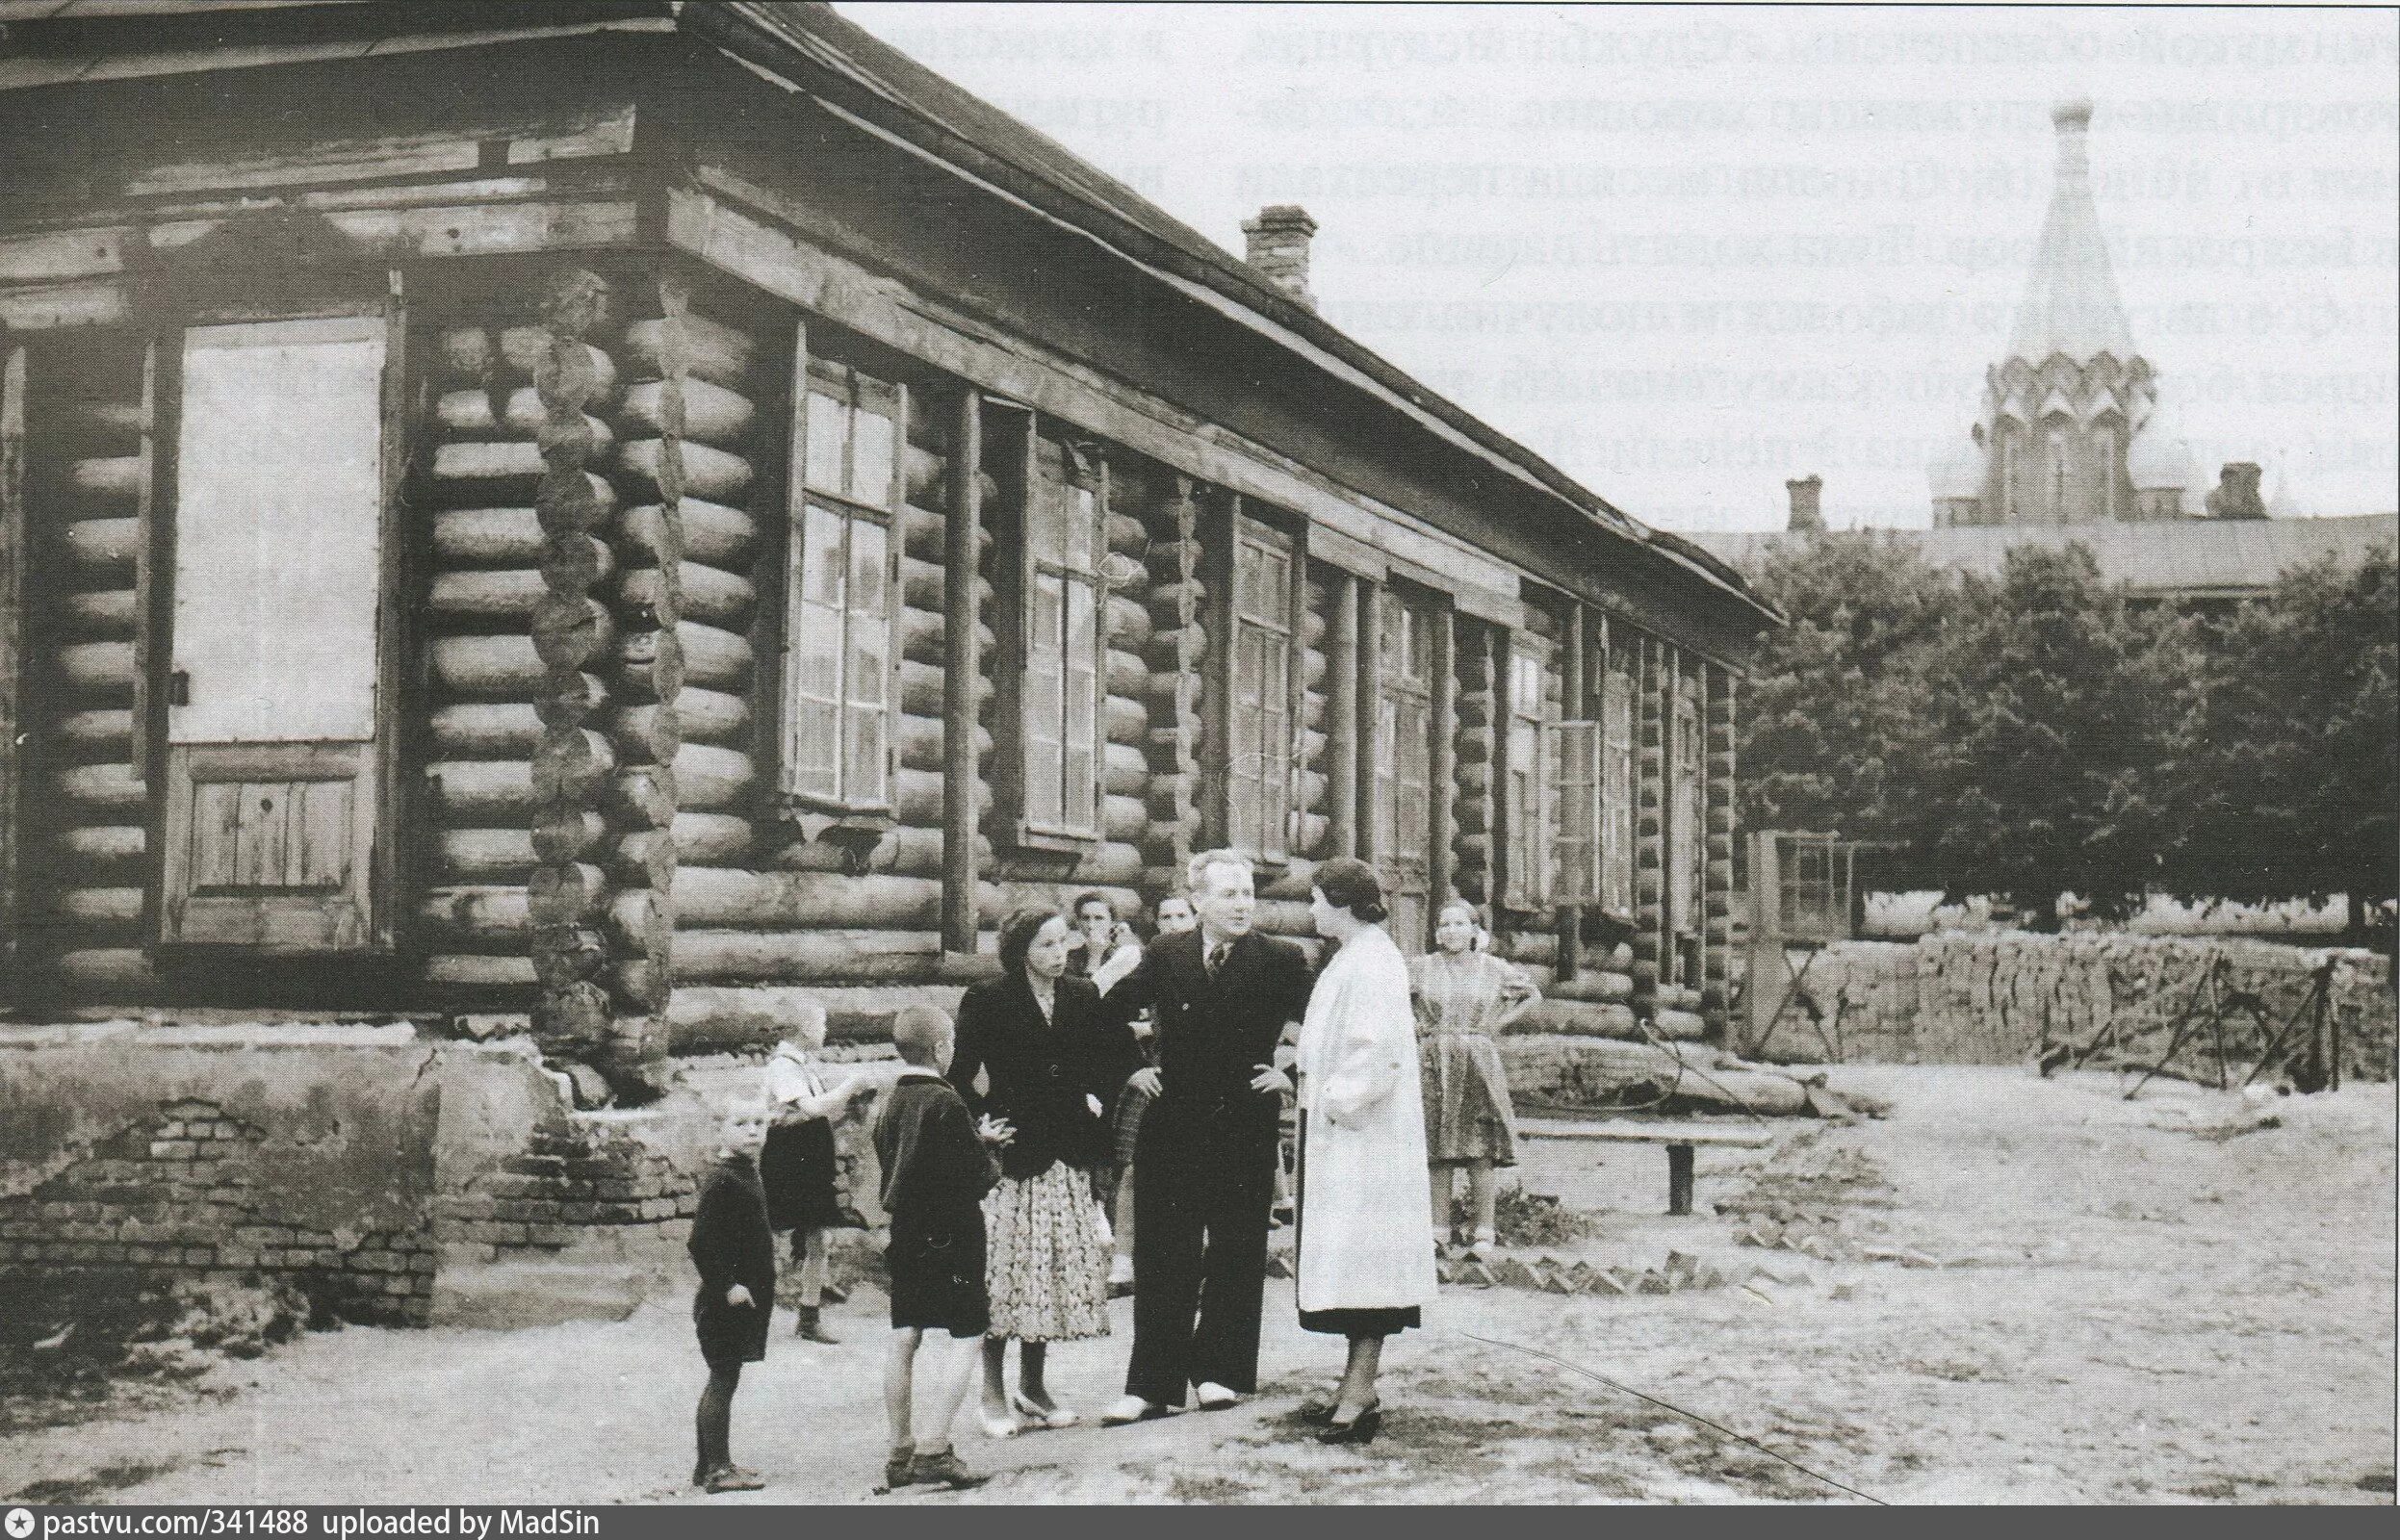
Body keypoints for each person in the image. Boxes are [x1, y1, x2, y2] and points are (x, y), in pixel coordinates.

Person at [1092, 850, 1315, 1424]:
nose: (1242, 904)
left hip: (1244, 1121)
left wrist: (1286, 1067)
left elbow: (1316, 1025)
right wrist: (1128, 1069)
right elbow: (1103, 1013)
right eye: (1228, 894)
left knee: (1237, 1249)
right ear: (1197, 902)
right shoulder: (1165, 953)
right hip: (1173, 1122)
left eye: (1247, 893)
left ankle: (1220, 1371)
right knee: (1164, 1250)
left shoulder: (1282, 959)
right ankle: (1151, 1384)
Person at [949, 908, 1141, 1438]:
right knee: (1008, 1275)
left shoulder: (1082, 995)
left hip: (1068, 1150)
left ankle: (1032, 1388)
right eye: (1045, 946)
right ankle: (991, 1391)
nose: (1059, 956)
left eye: (1063, 944)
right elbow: (961, 1076)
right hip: (1016, 1157)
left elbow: (1109, 1057)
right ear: (1020, 950)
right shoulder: (988, 998)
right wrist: (981, 1128)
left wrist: (1110, 1091)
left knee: (1051, 1275)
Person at [1292, 858, 1438, 1445]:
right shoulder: (1354, 957)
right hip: (1345, 1135)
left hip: (1364, 1138)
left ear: (1343, 903)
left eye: (1317, 900)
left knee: (1365, 1263)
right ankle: (1357, 1384)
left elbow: (1375, 1054)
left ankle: (1359, 1392)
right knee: (1351, 1261)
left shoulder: (1373, 961)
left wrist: (1331, 1100)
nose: (1311, 911)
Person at [875, 1005, 1010, 1493]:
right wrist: (989, 1148)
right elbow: (977, 1177)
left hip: (906, 1232)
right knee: (969, 1333)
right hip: (952, 1234)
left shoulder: (893, 1100)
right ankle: (934, 1448)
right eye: (950, 1040)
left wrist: (973, 1141)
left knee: (905, 1335)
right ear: (940, 1049)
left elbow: (908, 1159)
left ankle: (899, 1449)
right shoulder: (947, 1101)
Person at [1410, 900, 1540, 1257]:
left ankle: (1484, 1231)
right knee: (1436, 1149)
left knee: (1479, 1146)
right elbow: (1397, 1000)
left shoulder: (1494, 969)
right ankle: (1438, 1230)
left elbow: (1532, 995)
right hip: (1433, 1059)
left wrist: (1496, 1024)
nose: (1451, 931)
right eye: (1444, 924)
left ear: (1474, 930)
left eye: (1459, 924)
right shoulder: (1421, 968)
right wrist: (1417, 1026)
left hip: (1477, 1060)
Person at [760, 1000, 874, 1342]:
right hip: (787, 1162)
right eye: (821, 1024)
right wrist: (849, 1085)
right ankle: (744, 1301)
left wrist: (851, 1112)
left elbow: (818, 1116)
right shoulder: (782, 1067)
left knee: (818, 1236)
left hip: (808, 1160)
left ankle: (809, 1314)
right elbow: (811, 1108)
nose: (825, 1030)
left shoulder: (804, 1068)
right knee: (771, 1230)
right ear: (805, 1029)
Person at [1098, 892, 1196, 1293]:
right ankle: (1123, 1265)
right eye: (1166, 917)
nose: (1174, 923)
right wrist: (1134, 1065)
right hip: (1159, 1080)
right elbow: (1100, 1009)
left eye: (1181, 915)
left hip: (1206, 1085)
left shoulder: (1222, 962)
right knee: (1135, 1171)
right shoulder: (1149, 962)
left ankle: (1187, 1264)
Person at [688, 1106, 776, 1493]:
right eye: (740, 1123)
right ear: (720, 1129)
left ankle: (708, 1464)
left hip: (741, 1298)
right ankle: (718, 1471)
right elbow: (700, 1242)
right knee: (723, 1378)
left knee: (725, 1377)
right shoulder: (723, 1180)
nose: (753, 1131)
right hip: (726, 1301)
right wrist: (727, 1285)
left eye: (759, 1123)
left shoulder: (744, 1171)